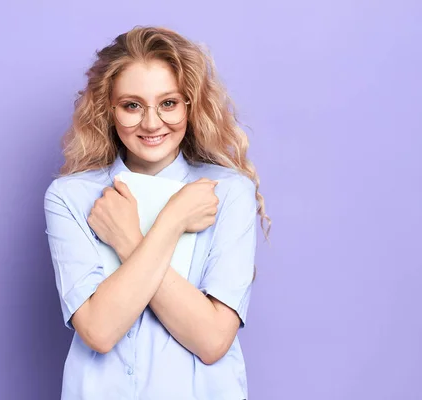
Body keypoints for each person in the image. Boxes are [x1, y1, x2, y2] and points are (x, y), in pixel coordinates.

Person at [44, 26, 270, 400]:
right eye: (132, 105)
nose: (151, 123)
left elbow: (212, 340)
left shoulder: (228, 192)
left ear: (189, 105)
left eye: (168, 103)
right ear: (109, 108)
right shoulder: (71, 197)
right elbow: (99, 331)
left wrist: (129, 239)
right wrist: (173, 222)